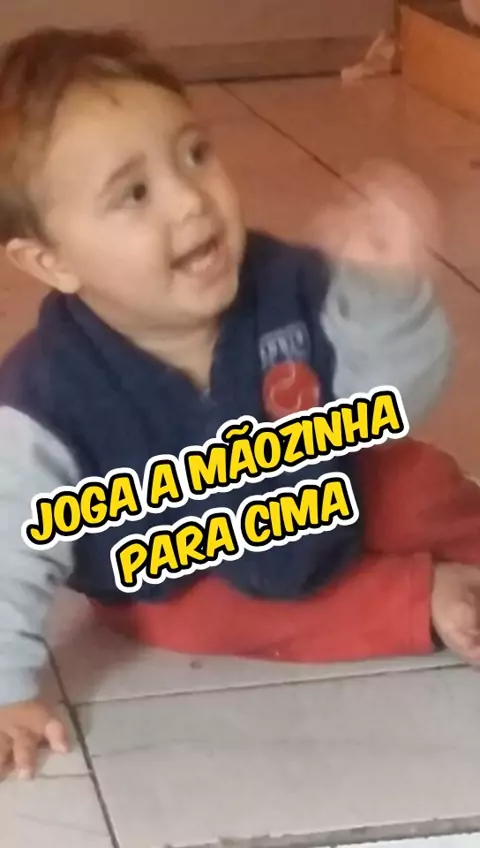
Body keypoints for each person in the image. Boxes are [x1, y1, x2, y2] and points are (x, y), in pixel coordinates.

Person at [0, 26, 479, 782]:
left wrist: (387, 297)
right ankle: (416, 598)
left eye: (194, 154)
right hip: (180, 569)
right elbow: (10, 547)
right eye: (134, 193)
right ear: (50, 260)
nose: (190, 199)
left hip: (322, 491)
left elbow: (396, 399)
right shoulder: (45, 397)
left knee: (411, 478)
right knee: (189, 616)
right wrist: (6, 689)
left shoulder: (286, 282)